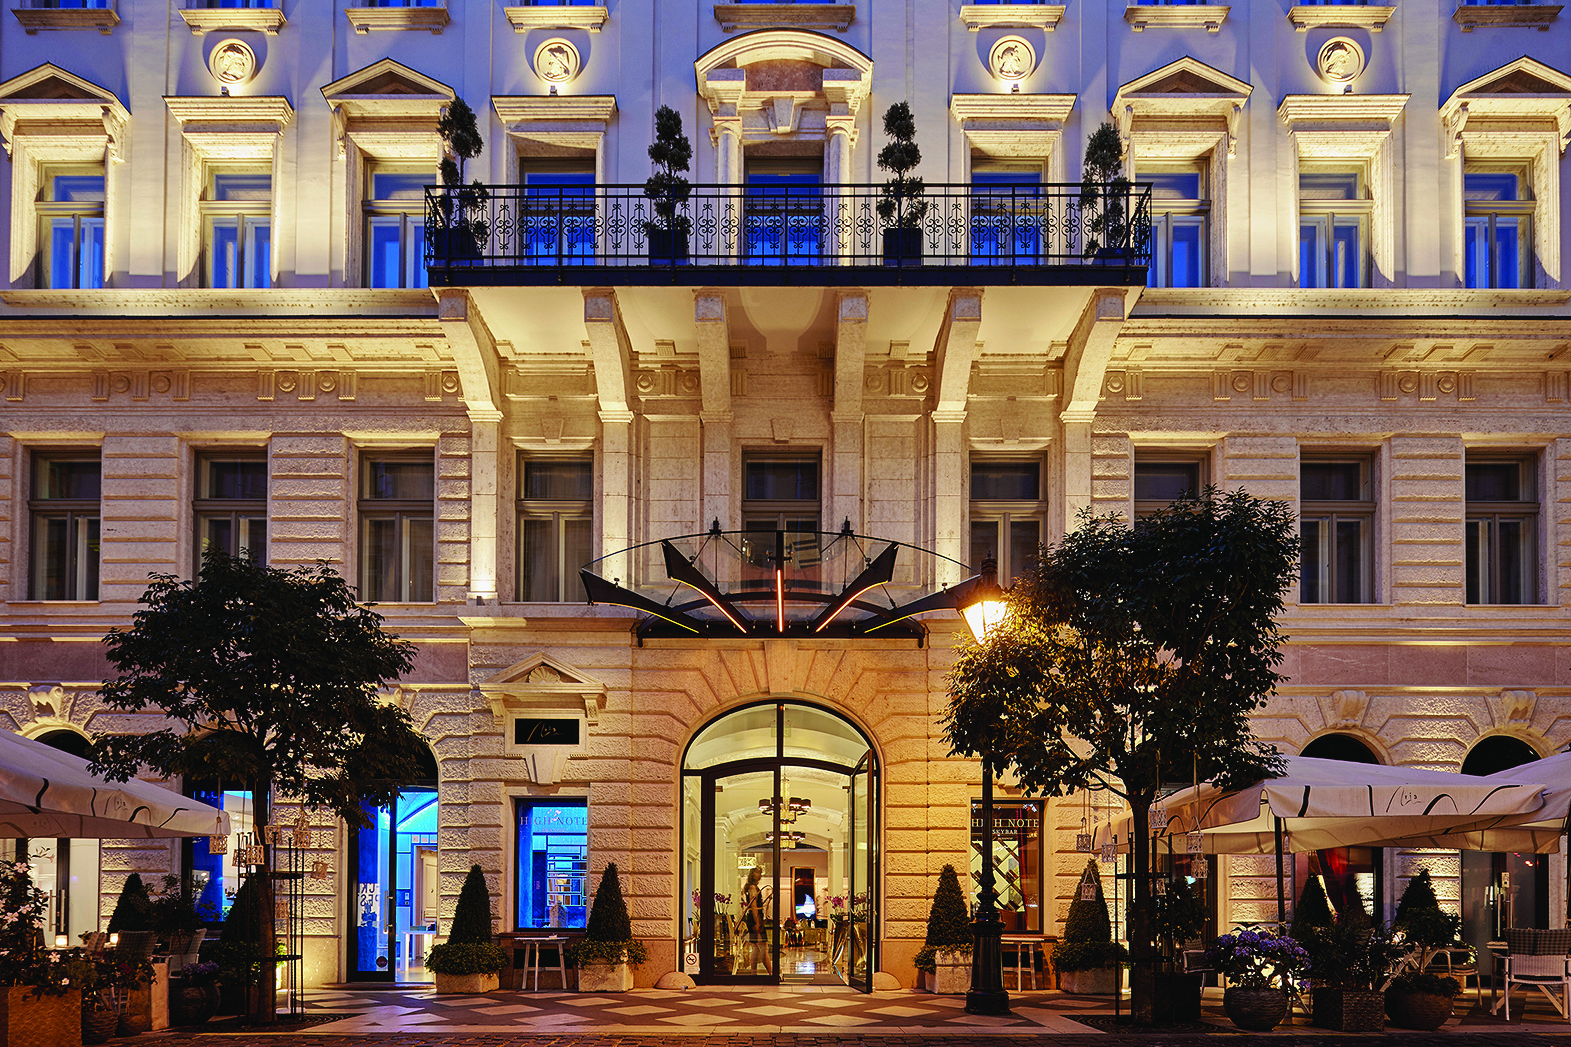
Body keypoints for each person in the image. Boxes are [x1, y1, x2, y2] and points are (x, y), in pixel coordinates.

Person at [742, 866, 773, 975]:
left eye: (760, 873)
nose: (759, 875)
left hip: (753, 919)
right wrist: (757, 922)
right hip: (755, 920)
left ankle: (753, 973)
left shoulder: (751, 887)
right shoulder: (752, 888)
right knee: (763, 948)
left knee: (755, 948)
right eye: (757, 873)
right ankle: (771, 973)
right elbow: (754, 906)